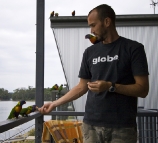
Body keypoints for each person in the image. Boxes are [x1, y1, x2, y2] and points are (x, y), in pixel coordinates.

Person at [38, 4, 149, 143]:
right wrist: (55, 104)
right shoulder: (90, 52)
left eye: (93, 25)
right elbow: (81, 86)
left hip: (122, 127)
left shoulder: (134, 49)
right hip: (90, 126)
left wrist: (110, 86)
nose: (91, 30)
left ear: (107, 22)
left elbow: (143, 89)